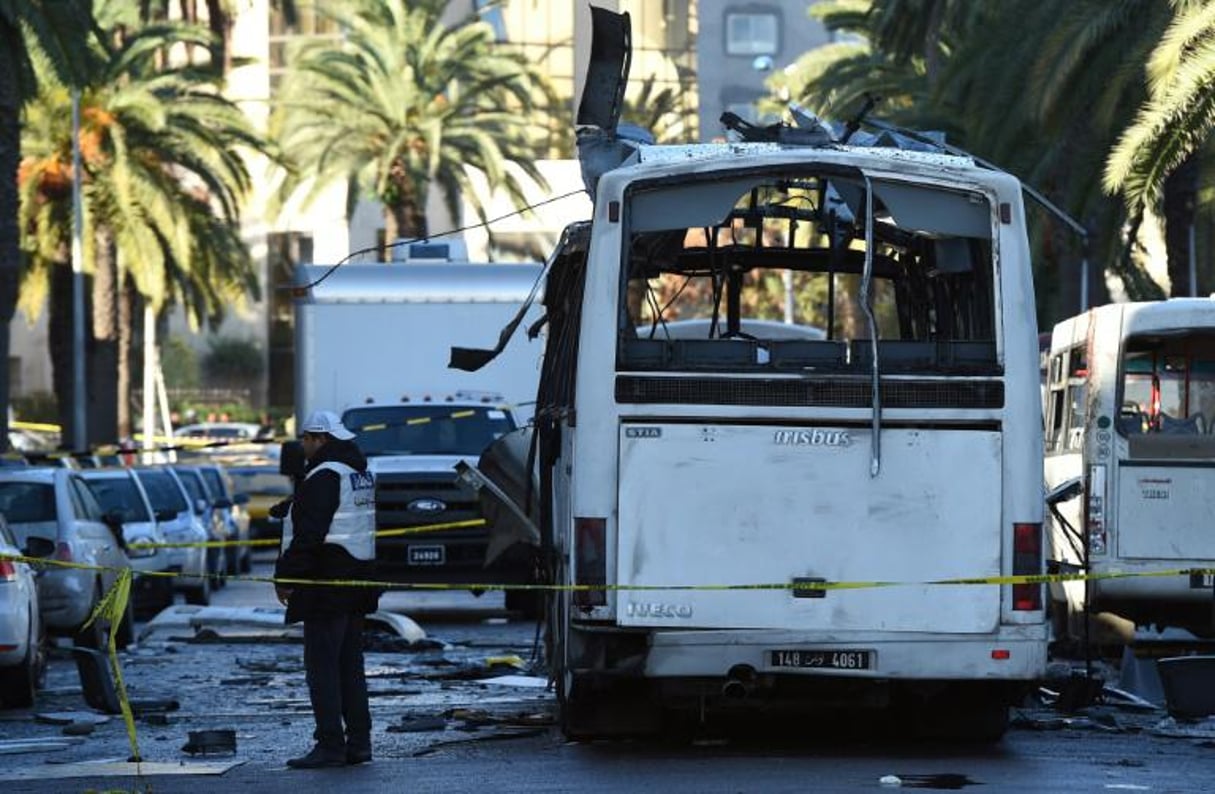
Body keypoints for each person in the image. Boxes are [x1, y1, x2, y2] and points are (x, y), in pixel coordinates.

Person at [275, 410, 379, 769]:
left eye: (305, 438)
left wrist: (286, 577)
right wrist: (292, 506)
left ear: (320, 438)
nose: (302, 445)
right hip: (356, 579)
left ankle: (330, 745)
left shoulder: (323, 475)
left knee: (322, 667)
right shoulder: (355, 472)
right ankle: (359, 743)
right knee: (350, 666)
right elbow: (337, 515)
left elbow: (310, 535)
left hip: (326, 584)